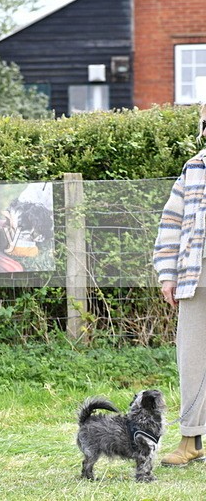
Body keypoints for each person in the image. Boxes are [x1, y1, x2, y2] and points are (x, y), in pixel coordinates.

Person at [153, 104, 206, 466]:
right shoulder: (194, 168)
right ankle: (191, 440)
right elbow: (171, 223)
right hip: (195, 278)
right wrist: (167, 275)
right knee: (193, 359)